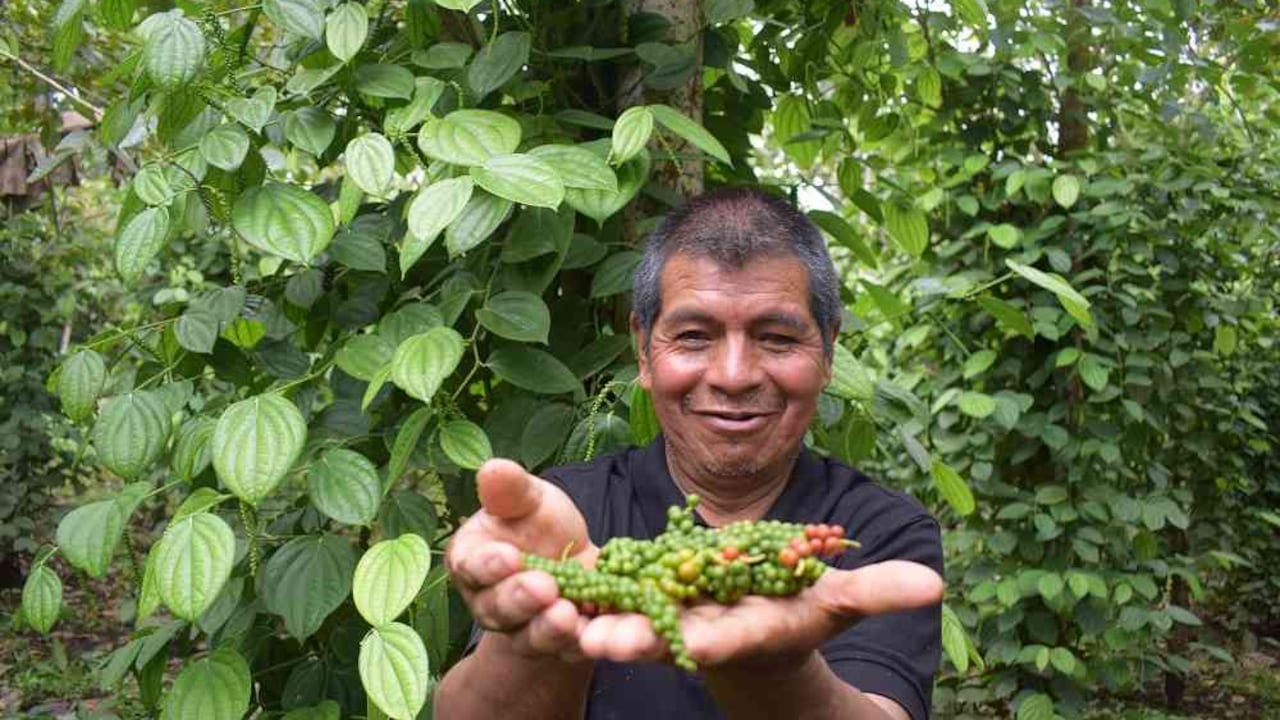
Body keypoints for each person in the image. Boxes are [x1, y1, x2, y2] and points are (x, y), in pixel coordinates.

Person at [434, 187, 946, 719]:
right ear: (644, 349)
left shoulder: (880, 530)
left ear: (828, 350)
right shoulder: (568, 517)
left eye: (775, 338)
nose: (733, 376)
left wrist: (774, 670)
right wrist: (535, 637)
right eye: (695, 336)